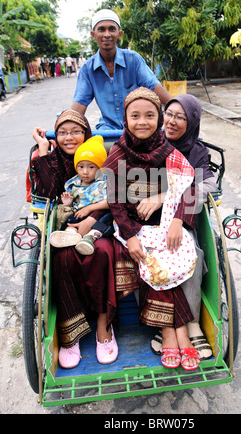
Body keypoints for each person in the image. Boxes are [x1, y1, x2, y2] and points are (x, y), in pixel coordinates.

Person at [104, 87, 200, 370]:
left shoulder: (168, 151)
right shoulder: (118, 153)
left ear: (158, 119)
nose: (142, 122)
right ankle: (175, 331)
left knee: (174, 254)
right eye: (135, 116)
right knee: (149, 261)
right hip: (130, 225)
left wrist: (176, 221)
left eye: (149, 115)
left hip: (163, 221)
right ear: (125, 119)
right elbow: (115, 201)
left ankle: (177, 331)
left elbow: (189, 186)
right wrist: (131, 236)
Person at [32, 110, 118, 369]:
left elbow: (115, 196)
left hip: (98, 225)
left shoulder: (104, 162)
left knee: (102, 251)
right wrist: (44, 150)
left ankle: (104, 324)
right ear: (56, 136)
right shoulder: (57, 162)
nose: (69, 138)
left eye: (75, 132)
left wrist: (92, 219)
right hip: (67, 226)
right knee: (60, 256)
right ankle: (70, 333)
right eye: (62, 133)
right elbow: (48, 194)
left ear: (86, 134)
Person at [145, 94, 217, 359]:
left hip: (182, 218)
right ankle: (168, 323)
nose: (172, 122)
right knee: (156, 252)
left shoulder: (197, 151)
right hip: (149, 218)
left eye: (181, 117)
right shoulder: (152, 142)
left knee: (192, 252)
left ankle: (192, 322)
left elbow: (208, 185)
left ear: (193, 121)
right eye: (169, 114)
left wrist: (172, 204)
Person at [71, 9, 172, 130]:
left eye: (112, 29)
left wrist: (177, 110)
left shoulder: (133, 60)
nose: (107, 34)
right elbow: (80, 103)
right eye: (101, 29)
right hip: (108, 129)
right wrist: (67, 125)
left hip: (138, 127)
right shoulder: (88, 69)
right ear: (93, 35)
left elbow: (154, 86)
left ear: (120, 34)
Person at [49, 135, 113, 255]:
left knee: (108, 219)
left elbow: (110, 202)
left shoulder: (103, 181)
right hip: (80, 213)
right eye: (81, 166)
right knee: (69, 220)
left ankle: (90, 237)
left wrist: (89, 208)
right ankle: (70, 234)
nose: (85, 172)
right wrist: (68, 203)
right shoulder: (74, 183)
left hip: (98, 213)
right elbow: (75, 205)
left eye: (91, 167)